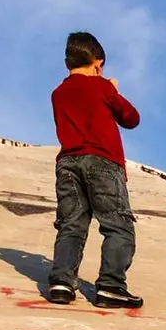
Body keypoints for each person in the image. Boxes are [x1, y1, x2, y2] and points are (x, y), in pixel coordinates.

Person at [47, 31, 144, 309]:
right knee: (117, 225)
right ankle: (111, 285)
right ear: (98, 63)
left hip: (67, 163)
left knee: (71, 225)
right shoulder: (101, 87)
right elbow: (131, 118)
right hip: (102, 162)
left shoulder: (58, 93)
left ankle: (62, 282)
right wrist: (112, 89)